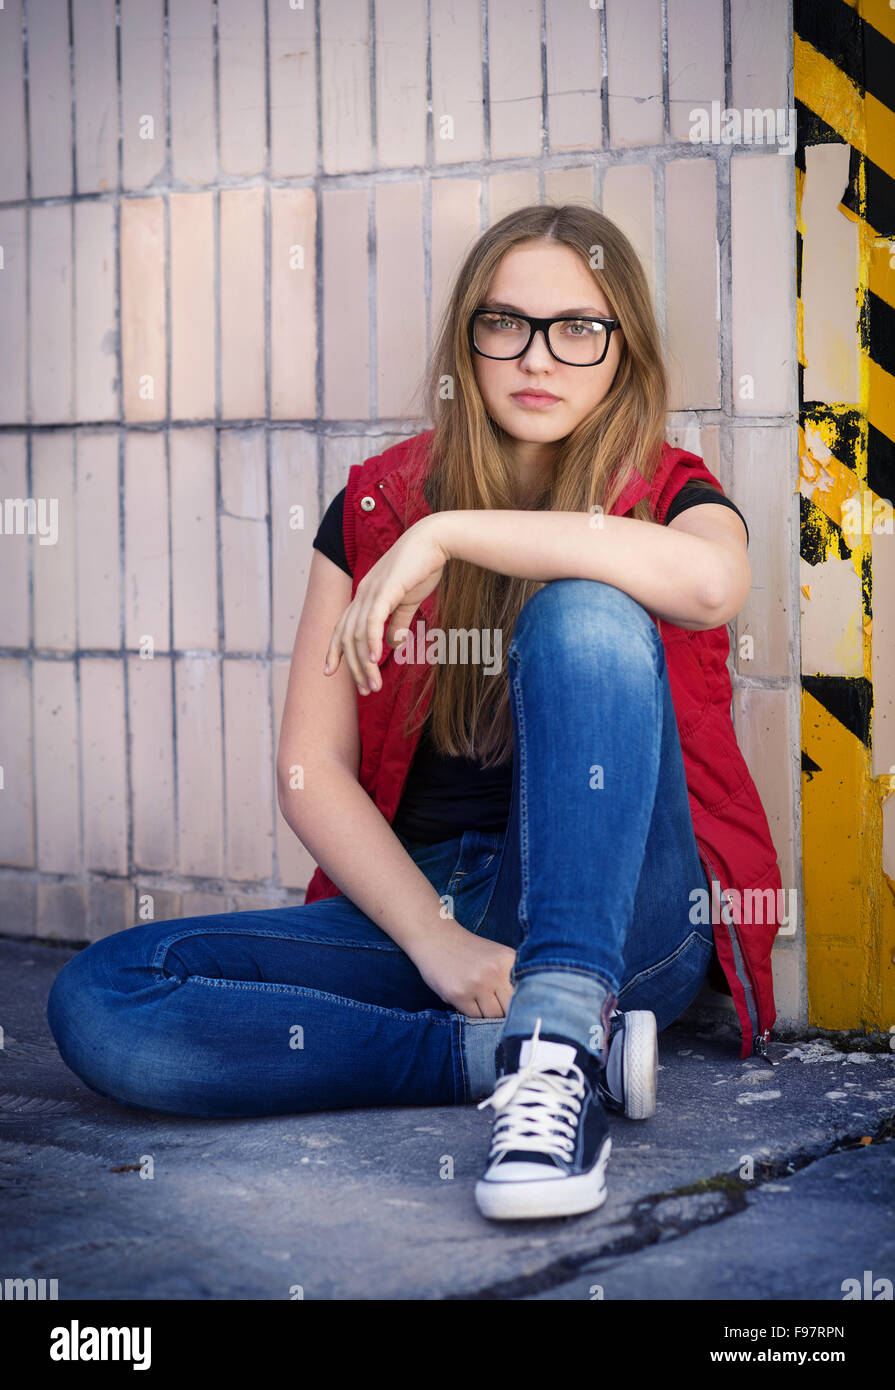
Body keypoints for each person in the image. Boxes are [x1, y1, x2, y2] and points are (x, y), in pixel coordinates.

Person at [46, 203, 781, 1225]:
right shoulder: (371, 508)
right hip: (440, 911)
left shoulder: (667, 489)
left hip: (626, 924)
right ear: (466, 342)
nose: (539, 356)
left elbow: (709, 586)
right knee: (107, 999)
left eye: (579, 328)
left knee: (582, 612)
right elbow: (310, 769)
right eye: (504, 323)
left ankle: (564, 1026)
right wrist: (436, 941)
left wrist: (452, 533)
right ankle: (512, 1055)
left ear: (624, 353)